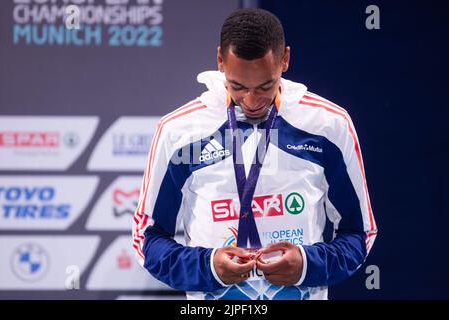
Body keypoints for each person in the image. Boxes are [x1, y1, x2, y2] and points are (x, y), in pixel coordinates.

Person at [132, 8, 377, 300]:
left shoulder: (328, 125)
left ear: (285, 59)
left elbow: (359, 233)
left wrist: (307, 265)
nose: (251, 101)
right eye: (237, 86)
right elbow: (147, 239)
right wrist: (208, 267)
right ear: (220, 61)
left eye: (265, 86)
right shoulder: (179, 131)